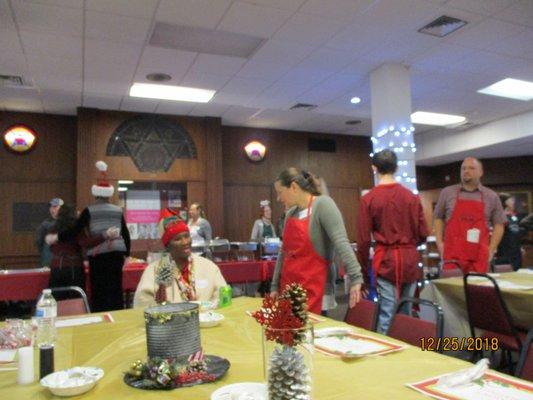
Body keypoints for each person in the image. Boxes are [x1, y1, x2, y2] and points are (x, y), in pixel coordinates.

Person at [271, 168, 363, 314]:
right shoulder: (290, 214)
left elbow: (341, 243)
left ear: (294, 187)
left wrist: (356, 277)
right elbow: (283, 253)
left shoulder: (323, 205)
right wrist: (275, 286)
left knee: (311, 333)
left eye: (280, 192)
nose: (278, 198)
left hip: (315, 288)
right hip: (289, 288)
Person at [357, 150, 429, 334]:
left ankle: (384, 357)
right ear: (396, 167)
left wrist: (364, 274)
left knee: (386, 312)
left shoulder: (369, 199)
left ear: (374, 168)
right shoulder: (412, 197)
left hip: (386, 261)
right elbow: (423, 233)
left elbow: (364, 240)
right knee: (406, 310)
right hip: (410, 259)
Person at [58, 161, 130, 312]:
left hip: (98, 256)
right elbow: (125, 232)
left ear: (95, 194)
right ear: (109, 195)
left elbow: (75, 229)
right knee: (116, 288)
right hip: (116, 255)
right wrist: (127, 254)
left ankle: (100, 315)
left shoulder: (89, 210)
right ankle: (117, 315)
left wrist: (60, 237)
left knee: (99, 289)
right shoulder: (117, 210)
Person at [434, 157, 506, 273]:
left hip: (479, 257)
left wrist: (491, 249)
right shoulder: (447, 193)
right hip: (452, 257)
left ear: (481, 172)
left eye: (471, 168)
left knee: (478, 290)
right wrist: (439, 243)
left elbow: (499, 224)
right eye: (463, 168)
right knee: (452, 289)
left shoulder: (491, 196)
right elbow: (438, 218)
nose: (466, 171)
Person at [133, 219, 227, 308]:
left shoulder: (208, 266)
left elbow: (222, 296)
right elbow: (142, 302)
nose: (185, 242)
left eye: (187, 236)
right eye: (178, 239)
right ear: (168, 246)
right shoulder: (155, 269)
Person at [45, 204, 119, 297]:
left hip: (56, 267)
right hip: (74, 267)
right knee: (76, 299)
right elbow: (85, 243)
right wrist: (105, 235)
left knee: (57, 299)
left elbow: (51, 247)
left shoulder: (53, 228)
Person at [495, 193, 525, 271]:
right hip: (505, 253)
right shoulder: (500, 217)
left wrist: (520, 247)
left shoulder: (514, 217)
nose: (514, 202)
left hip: (516, 252)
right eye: (511, 200)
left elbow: (515, 233)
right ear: (505, 203)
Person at [35, 198, 63, 267]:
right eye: (51, 207)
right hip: (49, 261)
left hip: (64, 261)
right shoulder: (44, 224)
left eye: (55, 207)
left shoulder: (68, 223)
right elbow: (39, 241)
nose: (52, 209)